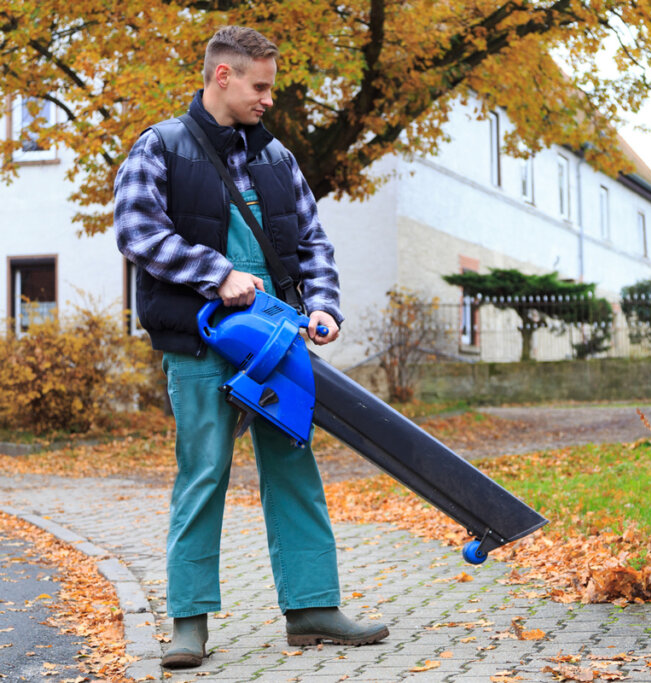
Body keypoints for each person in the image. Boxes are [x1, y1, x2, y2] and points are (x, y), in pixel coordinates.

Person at [114, 25, 389, 669]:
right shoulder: (161, 146)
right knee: (203, 472)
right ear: (222, 77)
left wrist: (321, 307)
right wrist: (216, 273)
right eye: (259, 86)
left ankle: (313, 607)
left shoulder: (278, 159)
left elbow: (314, 244)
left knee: (292, 464)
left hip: (276, 337)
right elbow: (136, 229)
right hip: (200, 336)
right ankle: (189, 624)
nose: (268, 98)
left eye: (270, 86)